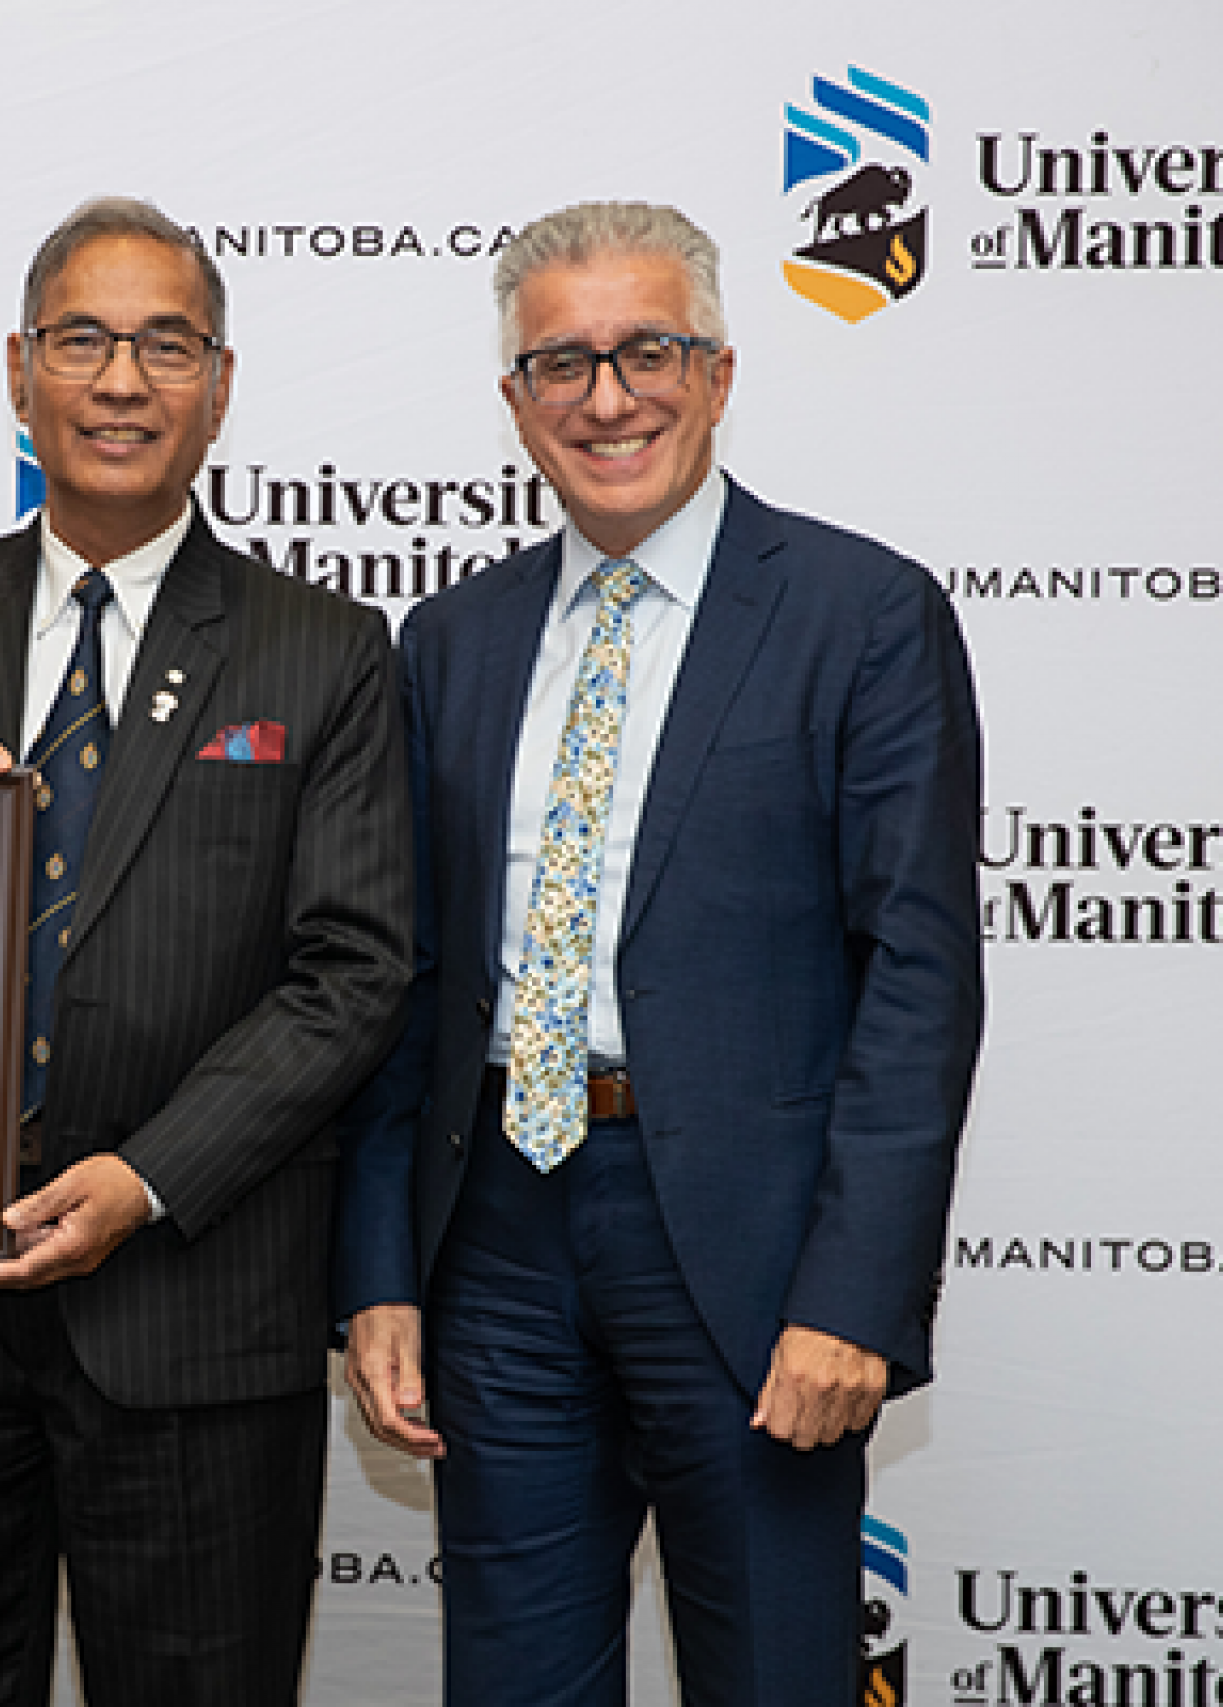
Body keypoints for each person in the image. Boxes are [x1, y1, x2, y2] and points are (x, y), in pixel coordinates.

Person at [335, 202, 983, 1705]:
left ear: (722, 366)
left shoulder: (862, 615)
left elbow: (919, 980)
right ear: (514, 400)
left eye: (649, 350)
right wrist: (379, 1272)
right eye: (561, 363)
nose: (608, 396)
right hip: (495, 1236)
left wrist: (854, 1293)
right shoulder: (450, 638)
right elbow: (405, 978)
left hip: (756, 1261)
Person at [0, 196, 412, 1707]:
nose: (122, 380)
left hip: (198, 1308)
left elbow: (352, 968)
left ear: (220, 383)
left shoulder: (323, 648)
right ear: (19, 373)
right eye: (82, 339)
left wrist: (142, 1180)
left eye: (165, 344)